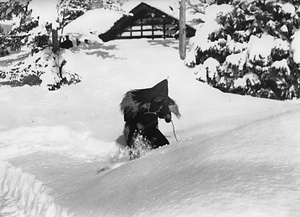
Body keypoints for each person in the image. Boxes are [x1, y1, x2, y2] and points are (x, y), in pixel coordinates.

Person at [120, 79, 181, 149]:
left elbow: (163, 112)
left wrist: (167, 116)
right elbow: (128, 117)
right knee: (135, 148)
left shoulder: (163, 102)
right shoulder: (140, 100)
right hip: (135, 128)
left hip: (151, 128)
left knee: (164, 146)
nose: (159, 99)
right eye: (158, 96)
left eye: (162, 97)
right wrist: (137, 123)